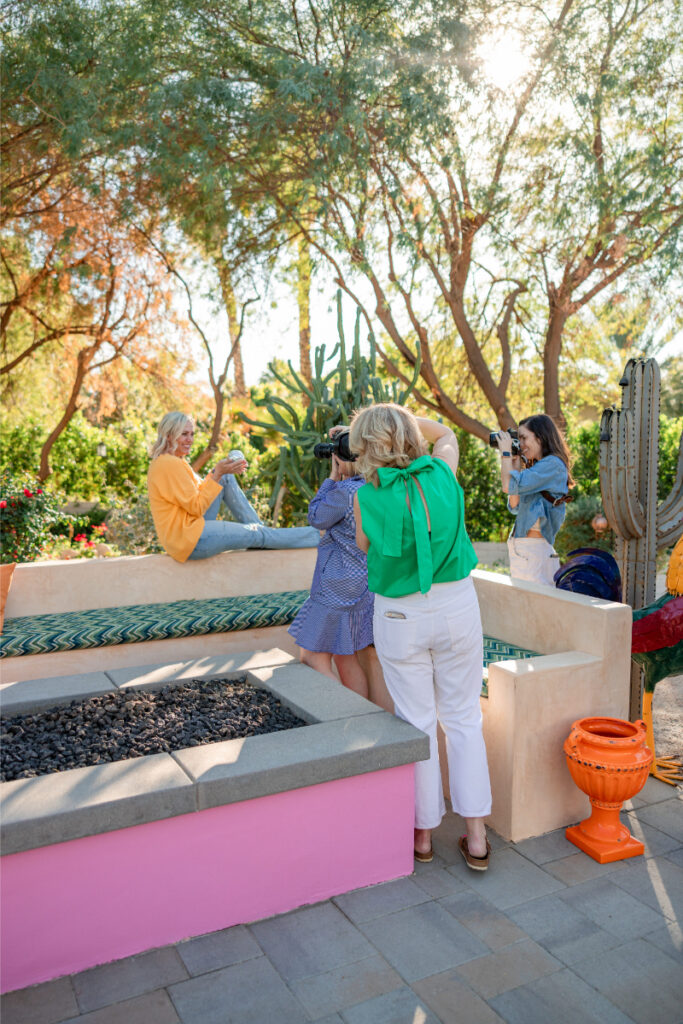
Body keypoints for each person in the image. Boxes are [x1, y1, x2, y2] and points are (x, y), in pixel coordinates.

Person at [350, 403, 492, 870]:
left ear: (366, 444)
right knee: (464, 717)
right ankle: (476, 838)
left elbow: (364, 547)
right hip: (456, 606)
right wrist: (407, 424)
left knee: (418, 721)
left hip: (399, 615)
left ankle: (424, 835)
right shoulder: (443, 473)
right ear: (410, 435)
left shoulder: (365, 496)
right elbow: (445, 433)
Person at [147, 412, 319, 562]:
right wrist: (217, 474)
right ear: (169, 435)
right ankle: (319, 535)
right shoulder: (168, 464)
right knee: (257, 534)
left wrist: (221, 472)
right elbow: (197, 507)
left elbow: (201, 492)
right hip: (189, 540)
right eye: (184, 434)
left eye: (191, 434)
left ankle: (262, 534)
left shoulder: (174, 461)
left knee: (226, 478)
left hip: (192, 531)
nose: (190, 439)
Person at [288, 435, 373, 698]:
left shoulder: (344, 492)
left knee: (312, 656)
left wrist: (333, 476)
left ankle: (342, 715)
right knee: (345, 657)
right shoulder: (373, 486)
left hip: (336, 585)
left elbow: (316, 516)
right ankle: (361, 718)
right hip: (362, 584)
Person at [495, 414, 573, 586]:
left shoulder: (552, 464)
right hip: (526, 551)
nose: (520, 444)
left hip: (533, 552)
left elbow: (507, 486)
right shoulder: (538, 468)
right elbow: (514, 505)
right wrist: (515, 465)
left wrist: (506, 453)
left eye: (523, 438)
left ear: (540, 437)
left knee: (532, 609)